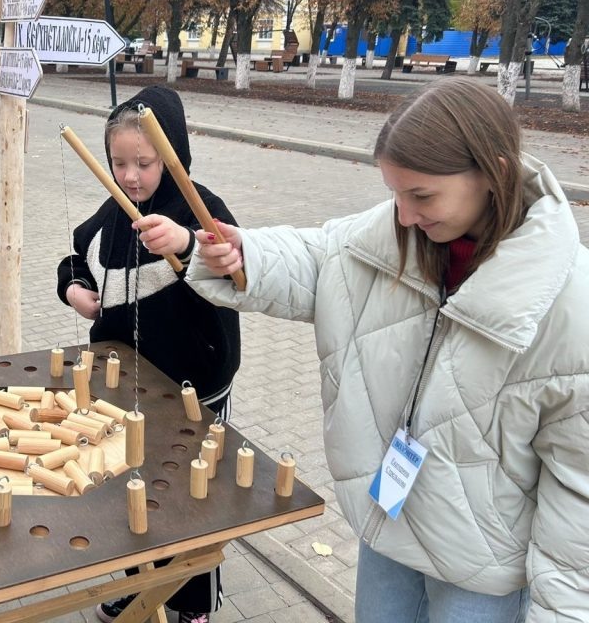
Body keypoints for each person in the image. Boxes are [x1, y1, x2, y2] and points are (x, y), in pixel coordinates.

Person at [187, 77, 589, 623]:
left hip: (481, 566)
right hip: (390, 521)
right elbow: (323, 256)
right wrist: (245, 255)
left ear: (492, 173)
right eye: (394, 194)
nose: (402, 216)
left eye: (421, 195)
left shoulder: (571, 307)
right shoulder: (400, 234)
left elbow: (578, 497)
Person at [57, 85, 241, 623]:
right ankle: (139, 587)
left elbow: (238, 273)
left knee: (188, 492)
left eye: (144, 162)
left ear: (173, 154)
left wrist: (186, 242)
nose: (131, 175)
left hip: (192, 387)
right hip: (122, 385)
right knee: (128, 486)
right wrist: (73, 288)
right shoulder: (112, 212)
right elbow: (75, 256)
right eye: (119, 163)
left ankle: (191, 603)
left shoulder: (202, 209)